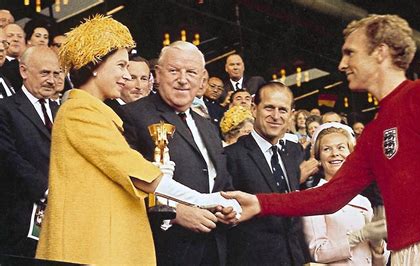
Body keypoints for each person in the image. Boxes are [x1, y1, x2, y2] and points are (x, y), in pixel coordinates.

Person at [223, 14, 420, 265]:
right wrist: (260, 203)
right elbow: (330, 195)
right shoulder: (374, 130)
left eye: (350, 53)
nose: (342, 64)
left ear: (380, 52)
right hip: (404, 255)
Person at [35, 16, 237, 265]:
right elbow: (136, 173)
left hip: (103, 242)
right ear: (96, 64)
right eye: (120, 65)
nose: (126, 76)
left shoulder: (95, 113)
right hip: (88, 248)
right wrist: (204, 199)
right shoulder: (80, 112)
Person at [119, 41, 238, 266]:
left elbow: (222, 180)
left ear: (202, 80)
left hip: (214, 248)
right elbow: (124, 184)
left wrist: (230, 208)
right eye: (174, 71)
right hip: (165, 249)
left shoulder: (208, 125)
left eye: (191, 72)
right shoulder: (132, 115)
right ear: (158, 74)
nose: (183, 79)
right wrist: (173, 213)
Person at [225, 82, 308, 265]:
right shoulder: (231, 156)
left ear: (291, 115)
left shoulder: (294, 152)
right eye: (269, 108)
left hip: (294, 257)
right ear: (254, 109)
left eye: (283, 110)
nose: (276, 116)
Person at [0, 46, 60, 257]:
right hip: (18, 219)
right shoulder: (5, 109)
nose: (52, 80)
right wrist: (46, 190)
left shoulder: (61, 111)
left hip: (61, 218)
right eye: (45, 73)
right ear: (24, 71)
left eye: (56, 73)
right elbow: (7, 157)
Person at [302, 122, 389, 265]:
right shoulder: (312, 198)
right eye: (327, 149)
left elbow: (379, 263)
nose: (335, 153)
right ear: (318, 157)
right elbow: (317, 252)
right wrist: (359, 236)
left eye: (341, 147)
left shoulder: (363, 201)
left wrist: (378, 246)